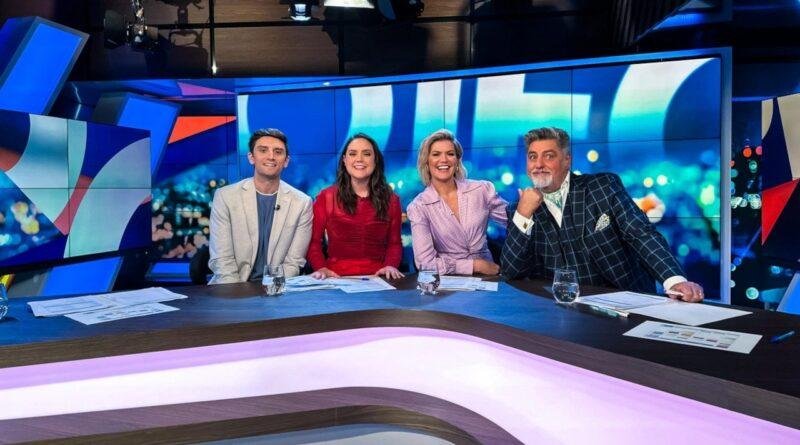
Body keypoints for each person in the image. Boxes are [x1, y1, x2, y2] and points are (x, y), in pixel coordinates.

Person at [500, 127, 704, 302]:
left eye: (549, 156)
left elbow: (641, 234)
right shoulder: (518, 209)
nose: (538, 164)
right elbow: (511, 271)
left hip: (624, 302)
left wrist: (674, 280)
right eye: (532, 157)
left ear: (567, 160)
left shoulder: (602, 187)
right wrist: (523, 214)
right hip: (559, 310)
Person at [208, 128, 312, 284]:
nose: (271, 156)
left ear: (286, 161)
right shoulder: (225, 197)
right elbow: (222, 260)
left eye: (278, 152)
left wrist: (273, 290)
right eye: (263, 150)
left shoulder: (302, 203)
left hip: (278, 288)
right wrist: (236, 293)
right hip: (231, 286)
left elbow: (294, 262)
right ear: (251, 157)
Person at [407, 129, 507, 275]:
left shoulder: (481, 190)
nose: (444, 160)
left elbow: (515, 222)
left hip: (488, 276)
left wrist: (526, 210)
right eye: (436, 154)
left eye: (450, 154)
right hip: (449, 280)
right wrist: (475, 266)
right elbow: (425, 263)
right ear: (426, 162)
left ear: (457, 160)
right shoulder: (419, 207)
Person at [308, 133, 404, 279]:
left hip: (378, 278)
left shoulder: (392, 200)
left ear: (376, 160)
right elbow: (313, 242)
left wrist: (390, 265)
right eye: (353, 154)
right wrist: (321, 268)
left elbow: (394, 244)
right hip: (335, 278)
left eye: (366, 154)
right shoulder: (326, 197)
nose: (359, 159)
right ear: (344, 160)